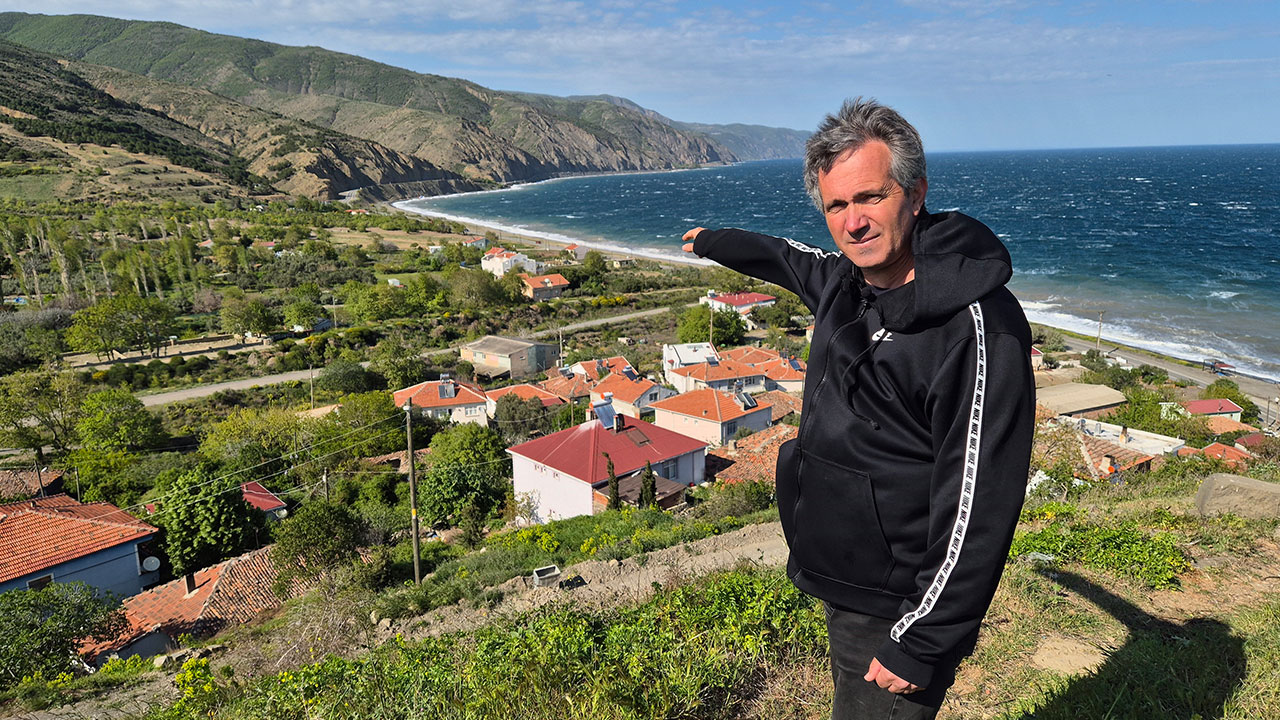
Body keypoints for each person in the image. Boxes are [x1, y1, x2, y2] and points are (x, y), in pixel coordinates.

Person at [682, 98, 1034, 719]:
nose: (854, 223)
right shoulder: (846, 281)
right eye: (836, 206)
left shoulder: (977, 327)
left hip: (898, 603)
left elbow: (980, 500)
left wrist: (923, 640)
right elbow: (785, 258)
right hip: (846, 570)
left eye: (870, 198)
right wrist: (713, 241)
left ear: (915, 193)